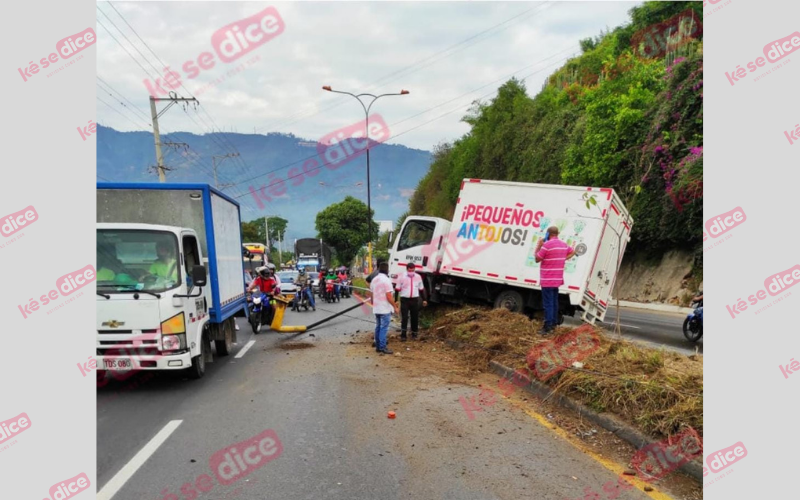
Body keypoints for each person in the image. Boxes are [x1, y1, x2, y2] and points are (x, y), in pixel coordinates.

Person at [535, 226, 575, 335]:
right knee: (554, 303)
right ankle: (553, 324)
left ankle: (547, 327)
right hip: (557, 280)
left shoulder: (546, 245)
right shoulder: (563, 244)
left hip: (547, 279)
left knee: (548, 304)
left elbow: (537, 259)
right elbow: (573, 251)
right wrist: (564, 258)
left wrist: (538, 246)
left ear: (548, 234)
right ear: (557, 234)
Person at [370, 261, 399, 355]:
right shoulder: (386, 280)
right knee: (384, 328)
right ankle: (383, 347)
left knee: (378, 327)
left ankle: (378, 347)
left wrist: (373, 304)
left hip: (377, 308)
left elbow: (371, 294)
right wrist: (395, 306)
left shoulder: (374, 280)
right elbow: (389, 296)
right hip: (385, 308)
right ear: (387, 270)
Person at [395, 262, 427, 341]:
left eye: (413, 270)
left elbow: (421, 289)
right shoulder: (401, 277)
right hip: (404, 299)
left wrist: (424, 299)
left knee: (415, 317)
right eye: (410, 270)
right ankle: (403, 335)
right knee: (405, 317)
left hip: (414, 299)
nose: (411, 272)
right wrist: (396, 300)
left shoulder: (418, 277)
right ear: (407, 269)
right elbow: (397, 289)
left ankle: (414, 334)